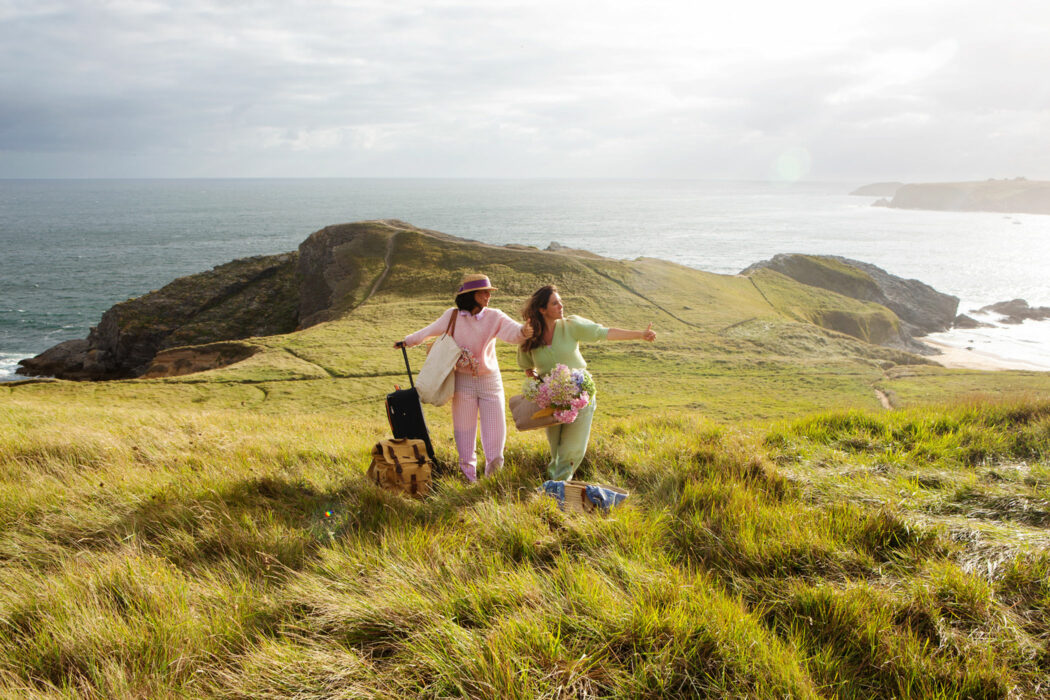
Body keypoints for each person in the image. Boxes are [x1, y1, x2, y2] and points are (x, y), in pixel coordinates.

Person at [517, 284, 656, 482]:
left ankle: (557, 489)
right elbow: (526, 365)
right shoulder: (532, 336)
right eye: (555, 303)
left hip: (579, 393)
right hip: (553, 400)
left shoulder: (571, 325)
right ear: (542, 309)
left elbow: (603, 333)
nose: (561, 306)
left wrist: (640, 334)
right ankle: (553, 484)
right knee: (556, 448)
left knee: (572, 448)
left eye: (560, 301)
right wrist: (539, 384)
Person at [396, 274, 525, 482]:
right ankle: (468, 480)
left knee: (495, 438)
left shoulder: (495, 316)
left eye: (489, 292)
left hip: (490, 383)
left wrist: (526, 330)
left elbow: (514, 333)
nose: (488, 296)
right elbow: (429, 331)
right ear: (470, 295)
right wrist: (407, 341)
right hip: (463, 383)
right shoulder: (452, 316)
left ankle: (492, 482)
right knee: (464, 438)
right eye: (484, 292)